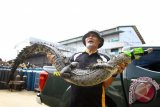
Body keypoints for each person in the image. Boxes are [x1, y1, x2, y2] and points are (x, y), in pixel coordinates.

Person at [47, 30, 126, 107]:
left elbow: (104, 84)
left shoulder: (105, 59)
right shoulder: (75, 56)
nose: (90, 37)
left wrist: (115, 73)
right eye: (87, 36)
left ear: (99, 41)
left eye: (94, 36)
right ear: (85, 41)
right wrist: (55, 63)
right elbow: (68, 76)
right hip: (74, 102)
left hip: (96, 103)